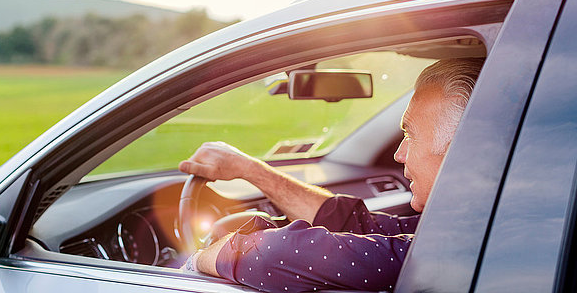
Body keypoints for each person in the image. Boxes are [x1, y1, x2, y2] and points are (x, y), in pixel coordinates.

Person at [178, 57, 484, 292]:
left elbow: (276, 254)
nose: (398, 154)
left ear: (460, 151)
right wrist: (250, 170)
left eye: (410, 134)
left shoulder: (462, 247)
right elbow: (365, 225)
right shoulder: (475, 221)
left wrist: (197, 262)